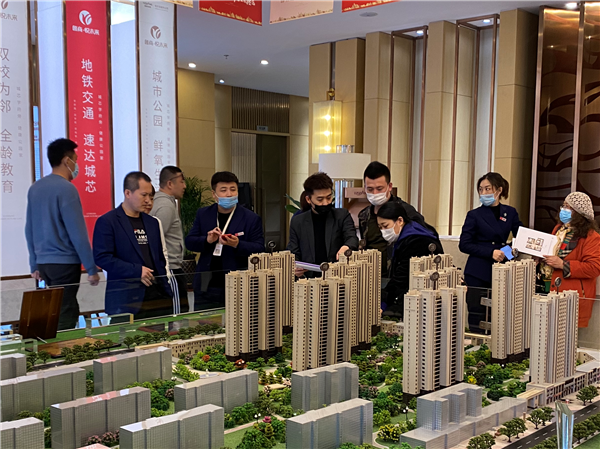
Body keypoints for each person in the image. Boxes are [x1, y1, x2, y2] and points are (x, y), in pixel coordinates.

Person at [24, 138, 100, 330]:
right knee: (66, 312)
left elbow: (29, 228)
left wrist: (34, 263)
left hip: (44, 264)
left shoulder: (35, 188)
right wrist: (91, 268)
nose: (76, 165)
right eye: (75, 160)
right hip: (65, 263)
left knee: (59, 309)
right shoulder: (67, 189)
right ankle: (62, 347)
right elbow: (77, 232)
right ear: (67, 160)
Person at [93, 172, 172, 319]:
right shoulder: (108, 222)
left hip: (157, 298)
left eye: (150, 196)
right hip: (125, 299)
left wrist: (166, 289)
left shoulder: (152, 223)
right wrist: (136, 271)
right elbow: (102, 258)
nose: (148, 200)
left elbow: (160, 259)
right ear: (128, 193)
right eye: (143, 195)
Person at [185, 171, 265, 310]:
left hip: (238, 283)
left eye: (233, 189)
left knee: (237, 321)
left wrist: (237, 244)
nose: (229, 194)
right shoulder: (204, 214)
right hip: (207, 283)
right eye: (223, 190)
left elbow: (259, 248)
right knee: (204, 321)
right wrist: (207, 240)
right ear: (214, 194)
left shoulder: (251, 218)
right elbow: (190, 242)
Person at [459, 172, 522, 333]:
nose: (484, 193)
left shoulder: (510, 212)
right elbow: (464, 244)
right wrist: (490, 252)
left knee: (499, 316)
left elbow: (520, 239)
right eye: (481, 189)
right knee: (477, 314)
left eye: (488, 189)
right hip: (478, 271)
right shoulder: (474, 215)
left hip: (501, 270)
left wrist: (505, 253)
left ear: (499, 190)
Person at [358, 161, 437, 276]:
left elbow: (423, 241)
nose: (375, 193)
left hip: (399, 275)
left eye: (379, 189)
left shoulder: (407, 212)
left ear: (389, 187)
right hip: (371, 276)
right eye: (370, 189)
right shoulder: (364, 216)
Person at [540, 192, 600, 328]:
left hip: (573, 296)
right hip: (551, 290)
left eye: (568, 207)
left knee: (568, 336)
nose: (563, 210)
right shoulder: (559, 229)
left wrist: (563, 264)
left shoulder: (592, 236)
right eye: (564, 205)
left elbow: (594, 268)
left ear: (579, 213)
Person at [377, 201, 443, 319]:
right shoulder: (416, 232)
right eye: (380, 227)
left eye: (385, 226)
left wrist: (384, 300)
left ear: (400, 221)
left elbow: (402, 276)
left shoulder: (415, 241)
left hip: (421, 301)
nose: (383, 231)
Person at [287, 172, 359, 277]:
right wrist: (294, 266)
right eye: (320, 199)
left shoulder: (342, 215)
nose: (325, 203)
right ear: (308, 199)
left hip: (337, 276)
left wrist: (346, 246)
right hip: (309, 278)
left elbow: (352, 238)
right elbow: (293, 251)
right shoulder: (298, 221)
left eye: (329, 197)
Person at [150, 166, 188, 314]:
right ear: (170, 184)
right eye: (182, 181)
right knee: (178, 315)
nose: (184, 186)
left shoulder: (162, 202)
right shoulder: (165, 206)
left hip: (169, 268)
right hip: (170, 269)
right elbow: (156, 239)